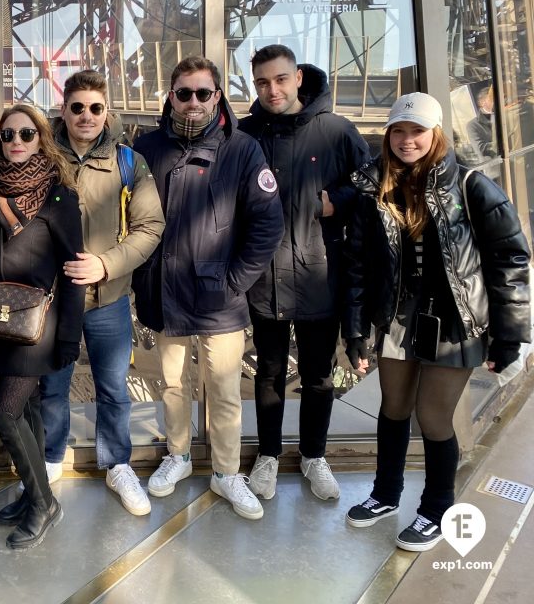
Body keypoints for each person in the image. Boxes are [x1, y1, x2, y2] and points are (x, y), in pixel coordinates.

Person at [343, 92, 529, 551]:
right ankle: (386, 494)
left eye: (418, 131)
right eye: (399, 131)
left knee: (432, 415)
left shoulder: (470, 185)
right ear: (388, 134)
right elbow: (357, 264)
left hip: (454, 321)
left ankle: (436, 508)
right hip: (400, 316)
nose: (408, 140)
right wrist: (355, 331)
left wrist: (510, 337)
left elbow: (511, 258)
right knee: (393, 407)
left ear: (436, 134)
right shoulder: (374, 186)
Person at [132, 56, 283, 520]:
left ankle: (225, 472)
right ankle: (177, 455)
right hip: (166, 290)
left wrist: (235, 281)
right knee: (173, 383)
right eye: (184, 93)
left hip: (221, 297)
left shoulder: (243, 150)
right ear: (170, 96)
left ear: (217, 96)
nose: (193, 102)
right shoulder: (148, 147)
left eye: (203, 93)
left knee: (223, 388)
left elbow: (267, 224)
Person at [238, 44, 371, 502]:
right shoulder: (246, 134)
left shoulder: (336, 131)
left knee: (319, 375)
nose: (271, 90)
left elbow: (370, 183)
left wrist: (339, 200)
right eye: (261, 82)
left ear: (298, 78)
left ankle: (314, 454)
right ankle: (269, 455)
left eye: (279, 79)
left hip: (320, 274)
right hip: (265, 277)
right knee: (268, 372)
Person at [39, 70, 164, 515]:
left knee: (113, 388)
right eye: (77, 107)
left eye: (95, 108)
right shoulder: (42, 158)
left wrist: (107, 264)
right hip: (55, 301)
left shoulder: (129, 162)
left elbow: (152, 225)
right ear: (64, 111)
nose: (86, 116)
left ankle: (117, 464)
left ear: (105, 112)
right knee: (52, 386)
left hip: (107, 298)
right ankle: (51, 461)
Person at [0, 103, 85, 548]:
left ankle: (44, 503)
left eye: (26, 134)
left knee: (3, 412)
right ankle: (33, 495)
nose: (17, 142)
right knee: (27, 410)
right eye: (8, 135)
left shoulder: (60, 197)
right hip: (3, 319)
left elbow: (76, 271)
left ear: (41, 137)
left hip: (40, 325)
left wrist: (69, 337)